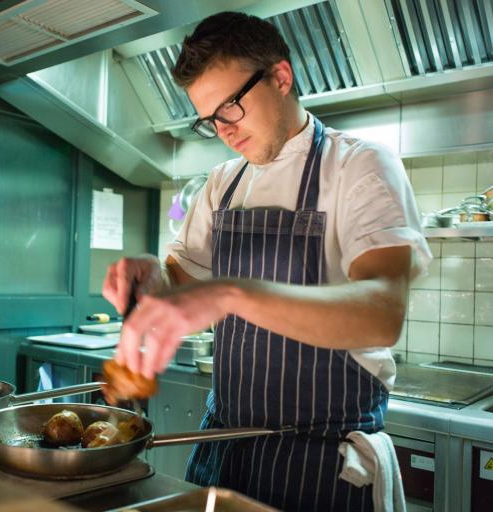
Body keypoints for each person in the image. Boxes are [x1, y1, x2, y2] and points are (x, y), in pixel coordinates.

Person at [102, 11, 431, 511]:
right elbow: (177, 285)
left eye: (231, 106)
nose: (223, 130)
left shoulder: (359, 166)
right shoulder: (223, 182)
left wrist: (229, 292)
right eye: (210, 118)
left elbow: (383, 311)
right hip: (224, 451)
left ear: (281, 77)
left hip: (322, 463)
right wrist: (150, 277)